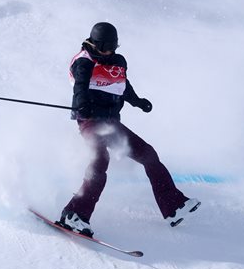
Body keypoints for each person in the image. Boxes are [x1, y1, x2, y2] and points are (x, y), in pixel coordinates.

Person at [56, 22, 200, 237]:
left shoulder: (118, 61)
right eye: (105, 47)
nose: (109, 52)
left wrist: (138, 101)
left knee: (149, 154)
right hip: (90, 122)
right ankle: (73, 214)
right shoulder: (84, 62)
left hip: (112, 123)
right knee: (100, 160)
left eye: (112, 47)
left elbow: (122, 85)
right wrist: (82, 104)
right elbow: (80, 87)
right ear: (95, 44)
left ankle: (173, 207)